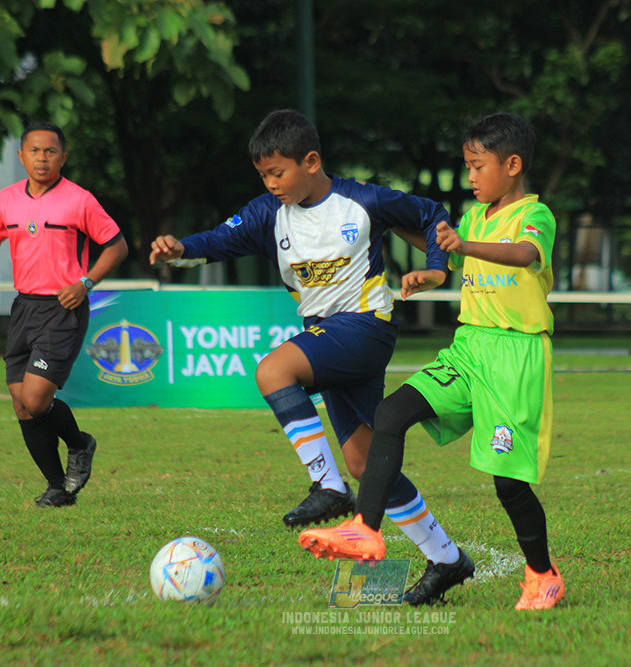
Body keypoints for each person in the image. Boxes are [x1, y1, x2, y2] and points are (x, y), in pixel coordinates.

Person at [151, 110, 472, 604]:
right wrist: (179, 250)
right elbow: (216, 241)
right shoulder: (267, 213)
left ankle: (327, 486)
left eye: (277, 172)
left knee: (273, 369)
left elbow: (430, 214)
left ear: (312, 161)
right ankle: (447, 557)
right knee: (366, 462)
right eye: (263, 175)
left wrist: (434, 268)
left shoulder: (362, 199)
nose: (270, 183)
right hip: (327, 333)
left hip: (367, 327)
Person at [299, 112, 565, 610]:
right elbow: (448, 250)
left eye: (476, 166)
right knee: (390, 413)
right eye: (466, 166)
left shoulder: (536, 214)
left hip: (515, 356)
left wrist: (463, 244)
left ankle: (542, 574)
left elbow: (525, 253)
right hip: (468, 350)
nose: (469, 176)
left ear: (512, 165)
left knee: (509, 483)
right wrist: (420, 254)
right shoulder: (475, 218)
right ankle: (365, 529)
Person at [0, 121, 129, 507]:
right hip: (24, 307)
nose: (42, 158)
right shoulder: (6, 200)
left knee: (34, 398)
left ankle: (80, 445)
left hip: (64, 307)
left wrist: (86, 283)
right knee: (22, 405)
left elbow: (117, 246)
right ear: (22, 156)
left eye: (50, 151)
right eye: (34, 150)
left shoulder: (79, 200)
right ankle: (57, 488)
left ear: (63, 157)